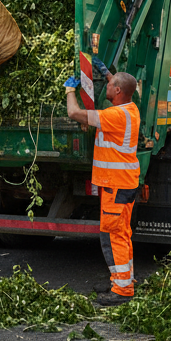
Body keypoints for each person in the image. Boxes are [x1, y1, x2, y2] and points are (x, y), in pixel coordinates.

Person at [65, 66, 140, 306]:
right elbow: (123, 85)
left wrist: (69, 90)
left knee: (113, 235)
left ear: (117, 91)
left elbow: (74, 112)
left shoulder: (115, 116)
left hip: (116, 185)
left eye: (108, 85)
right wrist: (108, 73)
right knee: (122, 233)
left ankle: (122, 290)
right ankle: (123, 279)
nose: (104, 86)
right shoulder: (130, 109)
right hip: (124, 183)